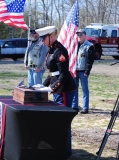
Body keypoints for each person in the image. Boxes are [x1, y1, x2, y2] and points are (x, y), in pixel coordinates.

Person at [35, 26, 77, 158]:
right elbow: (53, 73)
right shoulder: (52, 49)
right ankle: (60, 148)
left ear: (51, 36)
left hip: (64, 90)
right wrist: (42, 85)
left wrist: (51, 88)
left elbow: (64, 75)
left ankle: (65, 151)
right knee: (59, 121)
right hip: (58, 89)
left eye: (43, 38)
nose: (42, 41)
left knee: (63, 121)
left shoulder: (60, 50)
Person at [72, 29, 95, 114]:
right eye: (78, 35)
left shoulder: (89, 46)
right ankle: (75, 106)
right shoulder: (75, 45)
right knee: (74, 88)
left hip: (83, 71)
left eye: (81, 34)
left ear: (85, 35)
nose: (79, 36)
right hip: (75, 70)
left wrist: (87, 71)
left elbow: (90, 60)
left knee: (85, 89)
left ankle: (85, 107)